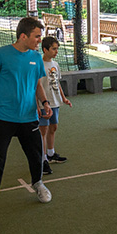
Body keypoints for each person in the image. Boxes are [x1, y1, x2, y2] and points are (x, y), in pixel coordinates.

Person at [0, 17, 53, 234]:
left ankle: (38, 183)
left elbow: (38, 85)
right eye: (37, 37)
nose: (39, 41)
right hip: (3, 119)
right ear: (23, 36)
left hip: (29, 118)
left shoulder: (35, 57)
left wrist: (45, 103)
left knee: (35, 154)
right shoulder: (1, 54)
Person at [38, 36, 72, 176]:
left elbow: (57, 83)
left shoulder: (55, 65)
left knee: (54, 127)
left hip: (55, 102)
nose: (56, 51)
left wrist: (63, 99)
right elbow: (37, 86)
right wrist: (38, 105)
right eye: (53, 49)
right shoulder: (39, 65)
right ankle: (43, 159)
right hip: (43, 104)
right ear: (45, 49)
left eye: (57, 48)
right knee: (43, 130)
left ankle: (51, 154)